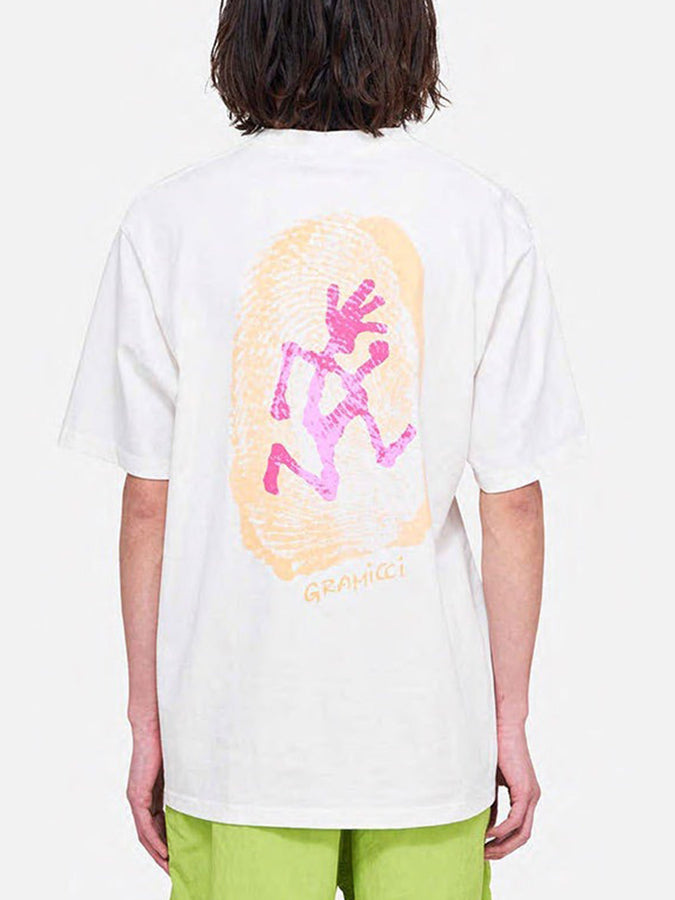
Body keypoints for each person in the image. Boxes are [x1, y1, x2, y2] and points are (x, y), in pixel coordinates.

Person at [60, 0, 585, 897]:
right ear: (407, 32)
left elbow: (149, 500)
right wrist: (507, 719)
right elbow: (513, 503)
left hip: (235, 736)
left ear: (246, 32)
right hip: (426, 734)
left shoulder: (169, 221)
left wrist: (147, 723)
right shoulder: (480, 217)